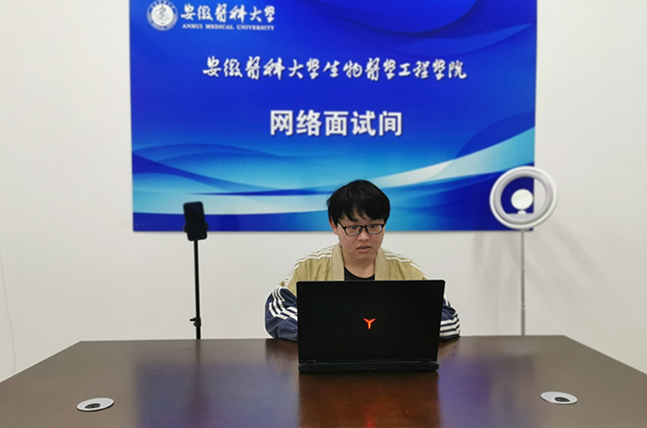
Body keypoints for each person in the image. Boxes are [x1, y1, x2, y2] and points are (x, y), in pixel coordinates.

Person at [264, 179, 460, 341]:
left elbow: (449, 320)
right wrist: (331, 330)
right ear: (334, 225)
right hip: (327, 365)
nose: (364, 237)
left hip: (390, 366)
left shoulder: (406, 269)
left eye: (374, 226)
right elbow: (277, 312)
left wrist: (390, 328)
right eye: (353, 228)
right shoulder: (310, 267)